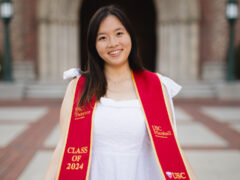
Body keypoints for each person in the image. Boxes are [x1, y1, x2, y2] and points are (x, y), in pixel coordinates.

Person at [45, 5, 197, 180]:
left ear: (130, 36)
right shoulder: (79, 87)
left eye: (119, 33)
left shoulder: (155, 86)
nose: (113, 43)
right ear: (94, 45)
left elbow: (171, 149)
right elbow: (64, 146)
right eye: (102, 37)